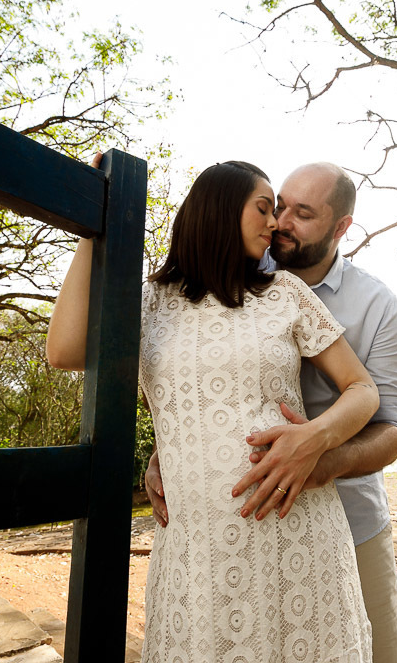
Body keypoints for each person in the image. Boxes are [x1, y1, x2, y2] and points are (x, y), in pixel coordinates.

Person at [47, 159, 377, 662]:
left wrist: (316, 437)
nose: (275, 223)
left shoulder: (286, 293)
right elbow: (64, 351)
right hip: (198, 552)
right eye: (264, 208)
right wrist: (96, 225)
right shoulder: (151, 303)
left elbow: (362, 390)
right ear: (220, 209)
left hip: (300, 536)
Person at [146, 162, 397, 663]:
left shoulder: (377, 304)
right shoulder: (240, 279)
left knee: (380, 652)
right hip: (236, 532)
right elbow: (196, 389)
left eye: (301, 213)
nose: (281, 222)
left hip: (347, 512)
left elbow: (392, 429)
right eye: (278, 206)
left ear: (340, 228)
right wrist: (171, 450)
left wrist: (314, 457)